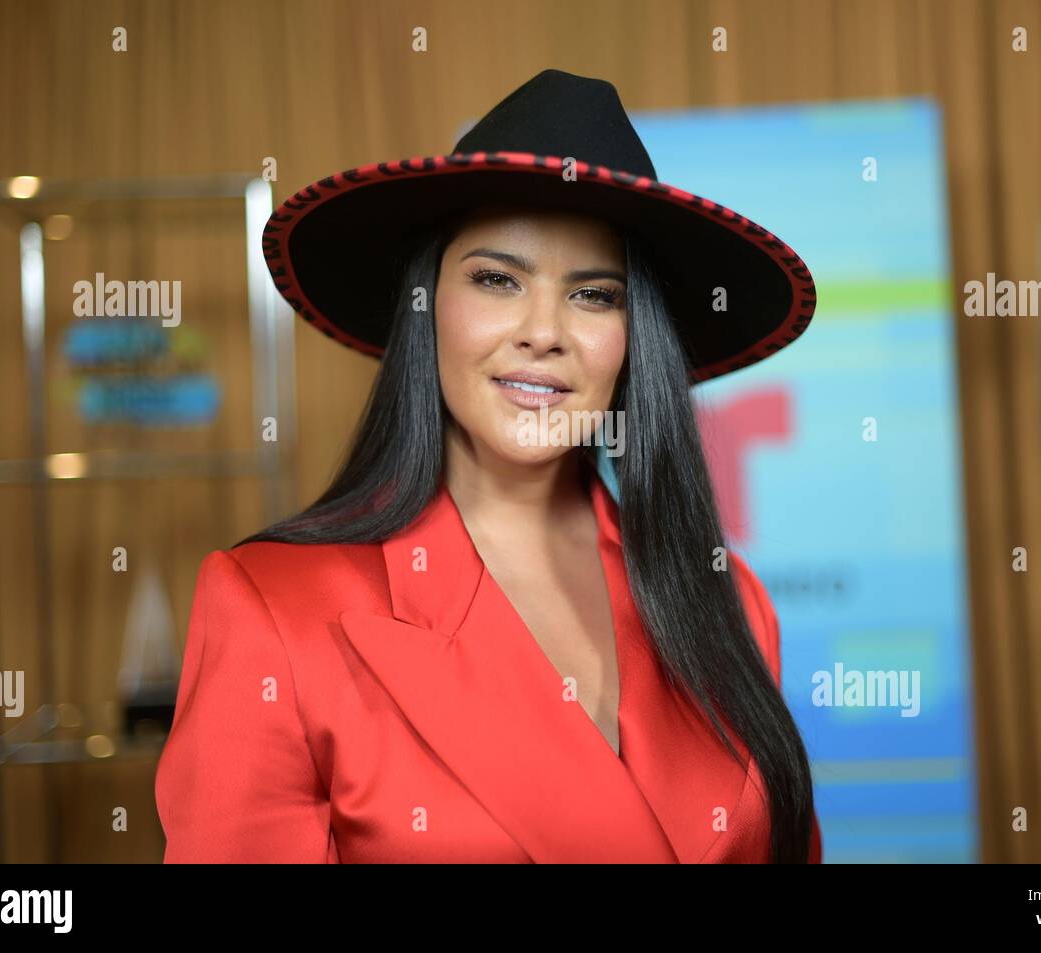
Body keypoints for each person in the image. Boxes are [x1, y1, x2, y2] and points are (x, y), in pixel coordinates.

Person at [155, 68, 821, 863]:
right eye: (498, 279)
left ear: (633, 336)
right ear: (427, 305)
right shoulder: (273, 612)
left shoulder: (730, 600)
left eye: (594, 294)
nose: (543, 331)